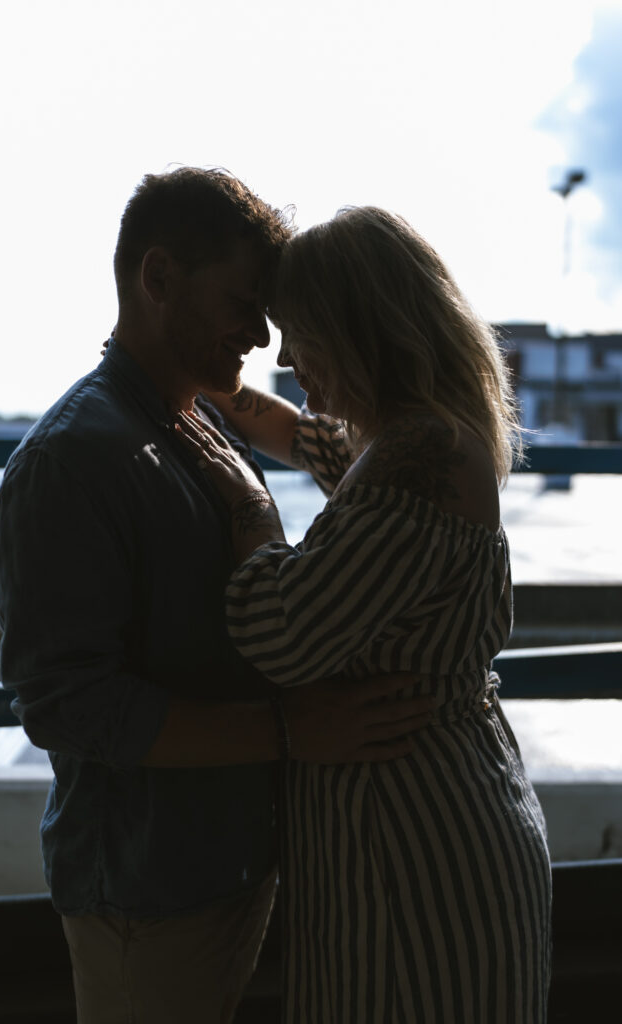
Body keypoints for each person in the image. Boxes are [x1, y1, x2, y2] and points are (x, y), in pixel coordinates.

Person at [0, 172, 432, 1024]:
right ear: (158, 279)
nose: (262, 335)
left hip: (223, 868)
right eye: (241, 303)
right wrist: (292, 730)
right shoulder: (70, 461)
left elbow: (272, 419)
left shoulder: (192, 419)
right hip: (147, 892)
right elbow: (68, 706)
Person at [176, 205, 552, 1023]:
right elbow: (305, 438)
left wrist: (248, 511)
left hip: (411, 844)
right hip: (431, 814)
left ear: (355, 327)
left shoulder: (419, 460)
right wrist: (209, 382)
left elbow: (281, 633)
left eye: (298, 333)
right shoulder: (422, 440)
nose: (286, 359)